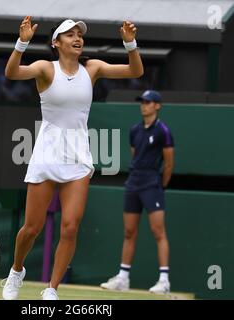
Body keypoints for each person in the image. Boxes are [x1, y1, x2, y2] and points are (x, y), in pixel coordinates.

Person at [2, 16, 143, 300]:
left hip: (78, 158)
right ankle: (17, 270)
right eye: (70, 34)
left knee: (70, 227)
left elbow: (135, 71)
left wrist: (130, 42)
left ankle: (52, 288)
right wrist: (22, 42)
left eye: (80, 34)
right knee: (31, 228)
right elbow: (12, 73)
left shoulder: (92, 68)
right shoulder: (44, 68)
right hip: (46, 153)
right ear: (56, 43)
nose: (77, 38)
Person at [100, 90, 174, 294]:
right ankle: (123, 278)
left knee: (158, 232)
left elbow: (168, 164)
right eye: (142, 102)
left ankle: (164, 281)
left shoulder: (163, 131)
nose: (144, 105)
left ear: (157, 106)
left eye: (148, 102)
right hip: (133, 183)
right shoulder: (134, 130)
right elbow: (136, 155)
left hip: (152, 184)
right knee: (129, 232)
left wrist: (161, 185)